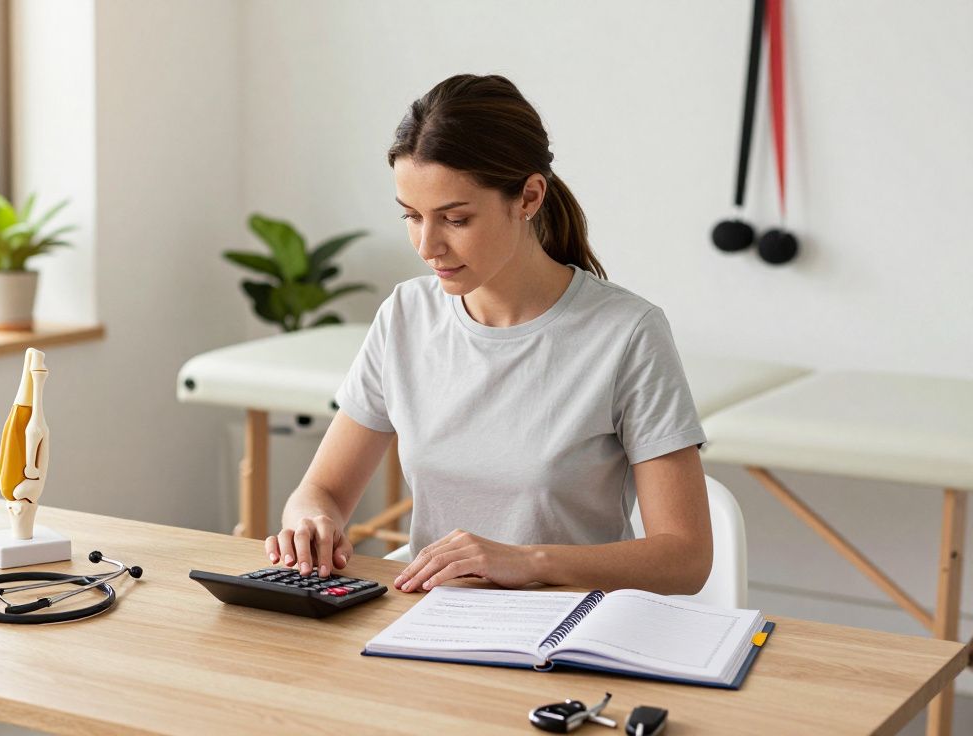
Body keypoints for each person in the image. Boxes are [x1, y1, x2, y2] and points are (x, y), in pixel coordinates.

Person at [264, 74, 711, 595]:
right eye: (411, 216)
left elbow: (686, 558)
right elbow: (322, 490)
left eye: (455, 218)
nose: (428, 246)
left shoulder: (626, 333)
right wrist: (311, 520)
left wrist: (527, 561)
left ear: (528, 197)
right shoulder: (407, 314)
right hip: (435, 625)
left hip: (569, 635)